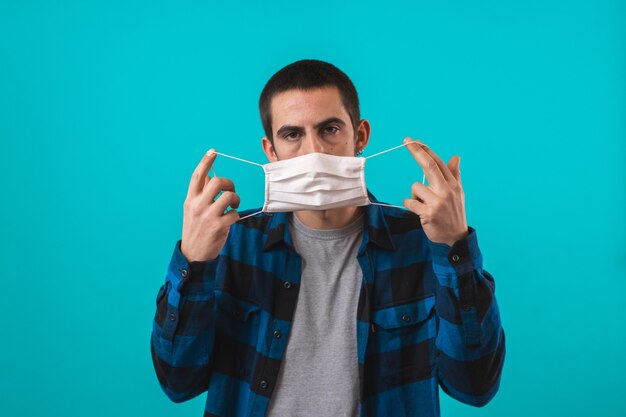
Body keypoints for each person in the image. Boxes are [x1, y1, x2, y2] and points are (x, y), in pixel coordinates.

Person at [150, 59, 505, 417]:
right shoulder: (230, 242)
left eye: (330, 129)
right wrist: (193, 262)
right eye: (292, 135)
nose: (313, 152)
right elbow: (178, 383)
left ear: (360, 136)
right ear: (270, 151)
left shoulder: (422, 242)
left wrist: (454, 248)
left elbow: (475, 387)